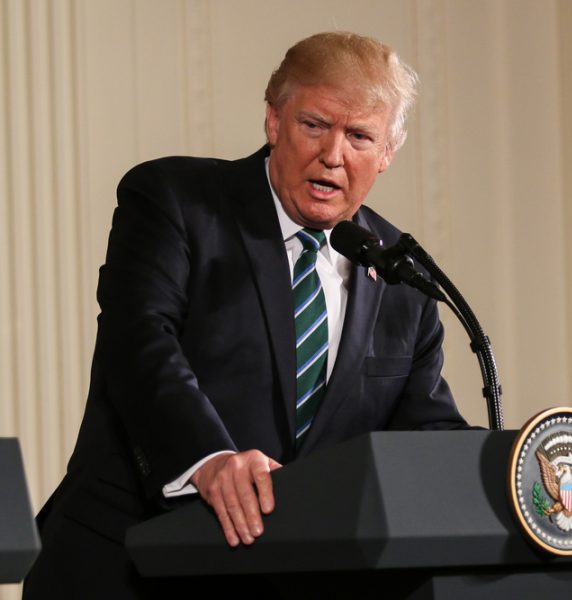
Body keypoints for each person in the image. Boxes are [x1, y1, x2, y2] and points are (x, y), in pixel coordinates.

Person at [24, 31, 467, 599]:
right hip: (127, 568)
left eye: (359, 136)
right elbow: (140, 341)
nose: (333, 154)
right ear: (273, 120)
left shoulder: (402, 276)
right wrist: (209, 459)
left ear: (387, 153)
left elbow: (423, 430)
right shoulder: (176, 201)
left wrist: (496, 476)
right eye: (314, 125)